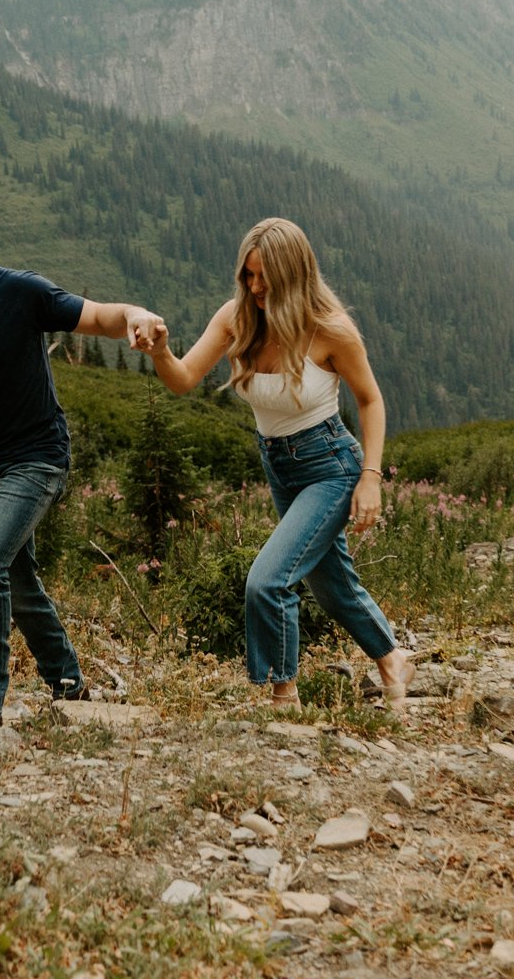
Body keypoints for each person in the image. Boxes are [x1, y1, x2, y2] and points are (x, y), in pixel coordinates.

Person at [0, 201, 167, 730]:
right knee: (17, 584)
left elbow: (96, 316)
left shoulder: (19, 292)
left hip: (37, 458)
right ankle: (69, 685)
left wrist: (134, 314)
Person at [146, 217, 414, 714]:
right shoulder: (237, 318)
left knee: (268, 579)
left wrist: (371, 479)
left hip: (331, 465)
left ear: (296, 274)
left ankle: (282, 696)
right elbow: (182, 379)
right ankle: (393, 657)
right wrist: (161, 350)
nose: (255, 287)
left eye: (265, 277)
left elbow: (370, 401)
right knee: (330, 585)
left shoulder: (331, 330)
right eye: (248, 275)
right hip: (279, 465)